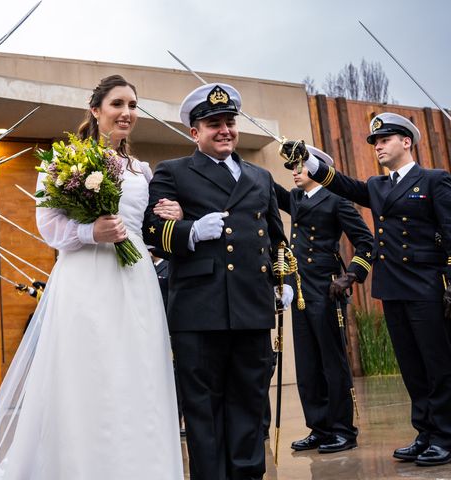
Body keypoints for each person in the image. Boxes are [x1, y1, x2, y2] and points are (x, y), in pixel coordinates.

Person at [0, 75, 184, 480]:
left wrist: (168, 216)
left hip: (136, 280)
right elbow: (48, 225)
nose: (127, 113)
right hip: (85, 277)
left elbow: (144, 228)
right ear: (95, 111)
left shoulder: (141, 170)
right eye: (117, 104)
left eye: (132, 105)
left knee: (137, 372)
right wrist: (88, 232)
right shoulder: (62, 162)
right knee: (90, 373)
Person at [143, 83, 291, 480]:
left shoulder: (260, 178)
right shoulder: (173, 172)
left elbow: (277, 239)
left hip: (251, 307)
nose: (224, 130)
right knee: (204, 413)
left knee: (248, 405)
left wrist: (285, 279)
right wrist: (191, 231)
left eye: (229, 122)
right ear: (195, 132)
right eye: (213, 124)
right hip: (199, 310)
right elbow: (152, 232)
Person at [286, 112, 451, 466]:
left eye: (385, 140)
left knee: (437, 364)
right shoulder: (378, 187)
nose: (378, 146)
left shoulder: (434, 180)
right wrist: (310, 161)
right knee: (411, 366)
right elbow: (344, 185)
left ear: (406, 142)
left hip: (426, 285)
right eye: (375, 141)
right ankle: (425, 433)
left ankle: (445, 435)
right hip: (392, 287)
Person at [274, 153, 373, 454]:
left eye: (300, 165)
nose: (294, 171)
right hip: (300, 289)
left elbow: (366, 242)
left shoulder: (336, 199)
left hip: (327, 289)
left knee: (333, 363)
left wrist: (351, 276)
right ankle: (319, 428)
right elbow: (267, 186)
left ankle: (343, 430)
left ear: (318, 169)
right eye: (292, 166)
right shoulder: (295, 198)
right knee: (307, 364)